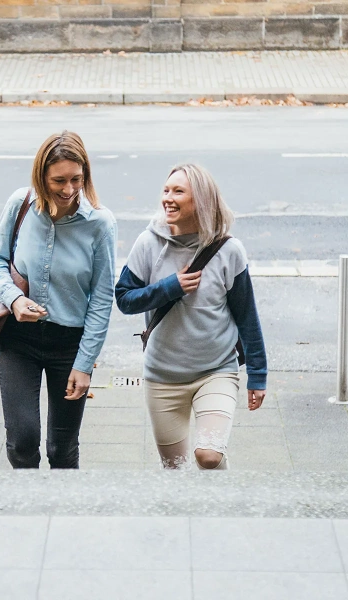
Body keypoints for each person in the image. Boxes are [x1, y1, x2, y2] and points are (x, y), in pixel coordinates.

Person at [115, 163, 267, 470]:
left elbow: (247, 315)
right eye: (166, 190)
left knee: (209, 456)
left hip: (216, 371)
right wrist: (170, 287)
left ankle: (223, 509)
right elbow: (124, 300)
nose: (168, 198)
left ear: (200, 199)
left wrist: (258, 373)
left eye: (178, 191)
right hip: (162, 376)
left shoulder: (228, 250)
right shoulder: (148, 244)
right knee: (176, 471)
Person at [0, 131, 117, 469]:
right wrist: (14, 300)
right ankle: (28, 514)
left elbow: (102, 298)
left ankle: (63, 518)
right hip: (19, 339)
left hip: (69, 345)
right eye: (59, 180)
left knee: (62, 448)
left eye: (76, 179)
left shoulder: (100, 224)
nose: (69, 190)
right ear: (41, 176)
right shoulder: (21, 204)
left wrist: (85, 365)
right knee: (22, 440)